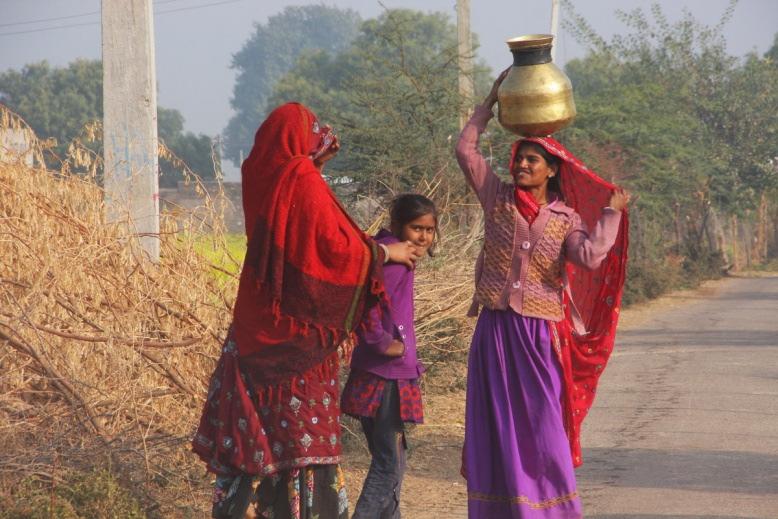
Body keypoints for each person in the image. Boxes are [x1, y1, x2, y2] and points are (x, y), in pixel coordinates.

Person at [192, 102, 420, 519]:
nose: (319, 148)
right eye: (313, 136)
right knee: (302, 444)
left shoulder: (261, 177)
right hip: (298, 344)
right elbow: (334, 248)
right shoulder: (300, 179)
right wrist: (384, 252)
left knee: (253, 442)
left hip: (252, 334)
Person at [456, 71, 630, 518]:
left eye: (532, 160)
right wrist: (489, 104)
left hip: (538, 336)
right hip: (495, 329)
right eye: (519, 159)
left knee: (543, 426)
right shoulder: (496, 197)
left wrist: (611, 214)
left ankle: (551, 511)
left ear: (552, 170)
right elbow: (466, 151)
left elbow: (590, 257)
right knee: (495, 423)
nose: (521, 166)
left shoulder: (566, 218)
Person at [341, 194, 438, 518]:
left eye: (429, 229)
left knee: (394, 460)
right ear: (398, 227)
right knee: (387, 465)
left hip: (382, 374)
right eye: (416, 228)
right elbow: (366, 303)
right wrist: (380, 341)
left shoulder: (382, 253)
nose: (423, 237)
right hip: (386, 378)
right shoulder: (394, 262)